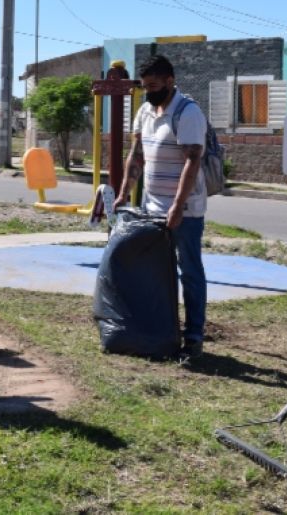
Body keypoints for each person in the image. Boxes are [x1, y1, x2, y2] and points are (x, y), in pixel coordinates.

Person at [114, 53, 209, 361]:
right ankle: (159, 330)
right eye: (145, 87)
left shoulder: (187, 112)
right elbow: (136, 155)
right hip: (152, 208)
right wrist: (123, 193)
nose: (149, 91)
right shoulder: (145, 111)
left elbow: (193, 159)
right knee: (153, 272)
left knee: (189, 272)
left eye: (154, 85)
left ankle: (193, 337)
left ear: (170, 81)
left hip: (185, 211)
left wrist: (178, 206)